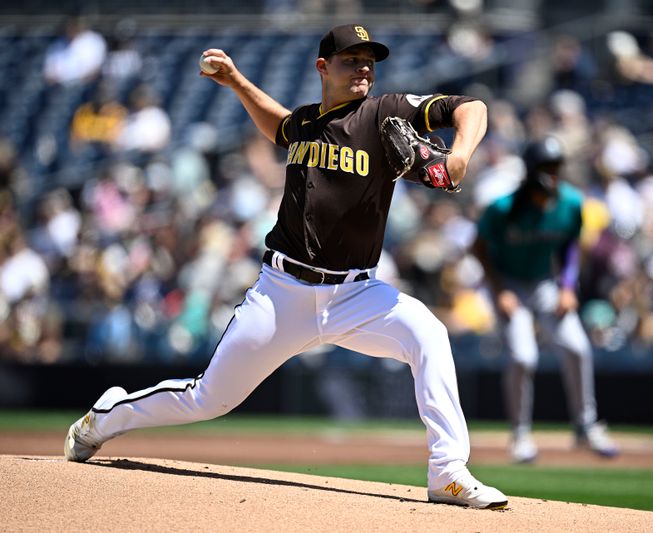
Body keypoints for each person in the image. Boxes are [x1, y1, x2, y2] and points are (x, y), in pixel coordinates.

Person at [64, 24, 507, 510]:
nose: (363, 67)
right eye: (350, 59)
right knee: (207, 399)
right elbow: (278, 126)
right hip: (282, 293)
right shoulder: (306, 124)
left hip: (357, 295)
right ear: (323, 67)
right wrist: (236, 82)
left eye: (369, 61)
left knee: (429, 334)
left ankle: (447, 472)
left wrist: (460, 155)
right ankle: (104, 417)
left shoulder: (386, 112)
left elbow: (472, 107)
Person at [471, 136, 619, 463]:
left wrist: (568, 285)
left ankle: (586, 426)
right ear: (532, 170)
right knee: (523, 357)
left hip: (544, 283)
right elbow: (479, 248)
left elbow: (570, 246)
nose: (552, 174)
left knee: (577, 347)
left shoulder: (570, 203)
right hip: (510, 284)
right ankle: (520, 435)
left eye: (556, 167)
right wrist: (499, 291)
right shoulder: (503, 208)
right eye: (546, 167)